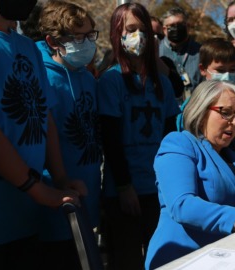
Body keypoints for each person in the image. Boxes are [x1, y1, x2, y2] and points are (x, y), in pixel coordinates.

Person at [0, 0, 85, 269]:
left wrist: (60, 178)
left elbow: (46, 117)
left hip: (26, 218)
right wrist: (37, 189)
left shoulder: (27, 46)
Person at [145, 80, 235, 269]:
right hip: (181, 258)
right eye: (226, 112)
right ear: (201, 109)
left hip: (225, 257)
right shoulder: (178, 144)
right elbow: (182, 205)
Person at [97, 3, 180, 269]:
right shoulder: (111, 81)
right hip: (124, 191)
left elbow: (169, 136)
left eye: (143, 30)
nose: (139, 36)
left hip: (157, 188)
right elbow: (110, 140)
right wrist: (123, 186)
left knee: (163, 258)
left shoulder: (162, 84)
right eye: (131, 29)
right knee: (127, 259)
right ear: (117, 34)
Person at [36, 1, 103, 269]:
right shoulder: (42, 76)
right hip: (54, 204)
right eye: (77, 37)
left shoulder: (87, 78)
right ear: (53, 41)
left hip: (88, 197)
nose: (86, 42)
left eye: (89, 35)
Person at [176, 37, 235, 131]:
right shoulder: (194, 103)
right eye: (220, 70)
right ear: (202, 69)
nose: (227, 75)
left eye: (232, 70)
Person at [159, 6, 202, 100]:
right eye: (172, 26)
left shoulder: (201, 51)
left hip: (194, 107)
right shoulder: (156, 51)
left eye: (180, 24)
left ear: (188, 26)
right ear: (164, 30)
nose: (176, 29)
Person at [151, 15, 184, 99]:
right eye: (150, 34)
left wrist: (155, 58)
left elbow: (178, 90)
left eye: (159, 36)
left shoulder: (166, 62)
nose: (155, 39)